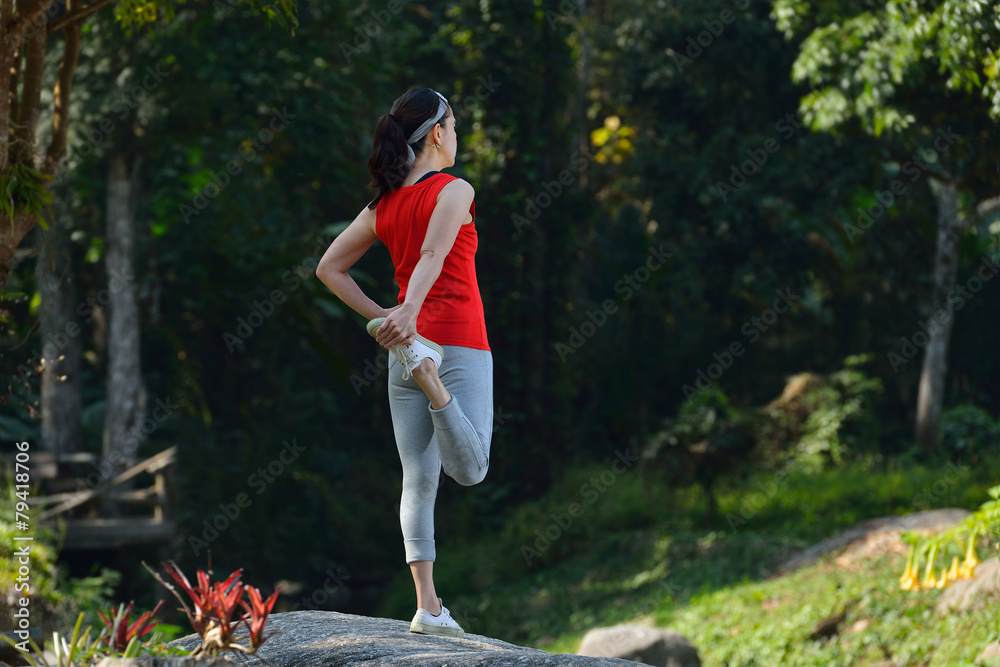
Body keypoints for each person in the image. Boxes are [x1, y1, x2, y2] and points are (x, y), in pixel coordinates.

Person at [316, 87, 492, 639]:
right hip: (457, 343)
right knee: (472, 468)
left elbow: (329, 268)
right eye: (456, 125)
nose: (458, 135)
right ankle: (435, 386)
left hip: (405, 350)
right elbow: (436, 255)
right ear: (437, 133)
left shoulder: (382, 206)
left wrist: (386, 322)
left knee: (417, 480)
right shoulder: (454, 190)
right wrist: (406, 313)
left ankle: (428, 609)